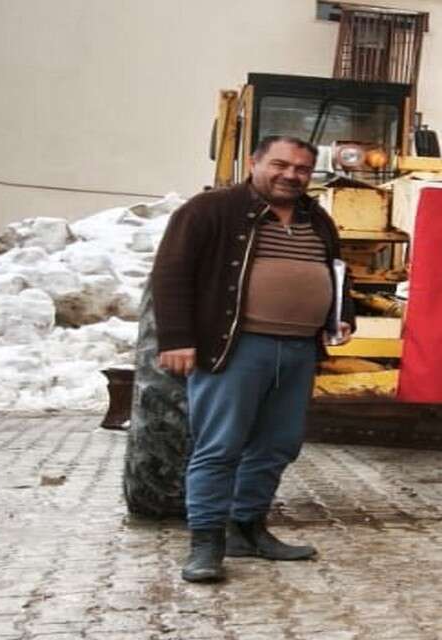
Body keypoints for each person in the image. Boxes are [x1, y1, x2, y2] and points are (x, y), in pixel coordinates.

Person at [151, 135, 354, 583]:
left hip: (298, 350)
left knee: (277, 445)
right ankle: (206, 543)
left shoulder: (315, 217)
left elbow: (336, 271)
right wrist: (178, 338)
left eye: (302, 168)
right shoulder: (209, 211)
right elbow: (171, 273)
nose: (290, 175)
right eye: (280, 164)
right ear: (254, 162)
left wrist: (342, 314)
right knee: (219, 446)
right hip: (236, 347)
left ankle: (247, 529)